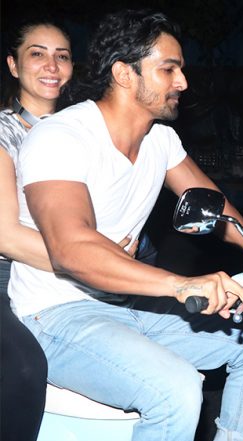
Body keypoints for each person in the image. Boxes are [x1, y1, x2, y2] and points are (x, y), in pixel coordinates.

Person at [9, 10, 243, 440]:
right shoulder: (62, 137)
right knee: (176, 390)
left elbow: (214, 206)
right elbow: (71, 249)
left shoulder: (161, 141)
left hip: (129, 307)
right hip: (55, 315)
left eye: (181, 69)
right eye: (168, 69)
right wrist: (179, 285)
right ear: (124, 74)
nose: (182, 82)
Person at [0, 20, 74, 441]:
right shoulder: (5, 132)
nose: (52, 65)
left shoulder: (81, 132)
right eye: (37, 53)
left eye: (62, 55)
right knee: (26, 367)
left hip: (63, 280)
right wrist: (96, 261)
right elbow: (5, 236)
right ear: (13, 65)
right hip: (5, 278)